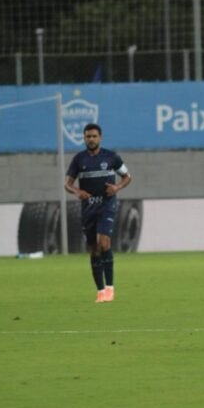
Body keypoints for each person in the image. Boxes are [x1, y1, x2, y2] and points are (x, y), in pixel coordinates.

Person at [65, 123, 132, 303]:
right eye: (88, 136)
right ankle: (100, 291)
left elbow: (127, 177)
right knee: (94, 248)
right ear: (84, 138)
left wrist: (117, 187)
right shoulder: (79, 159)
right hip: (88, 207)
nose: (91, 139)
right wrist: (77, 192)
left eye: (94, 136)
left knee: (104, 243)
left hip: (106, 204)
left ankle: (110, 288)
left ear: (100, 138)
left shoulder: (111, 157)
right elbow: (67, 184)